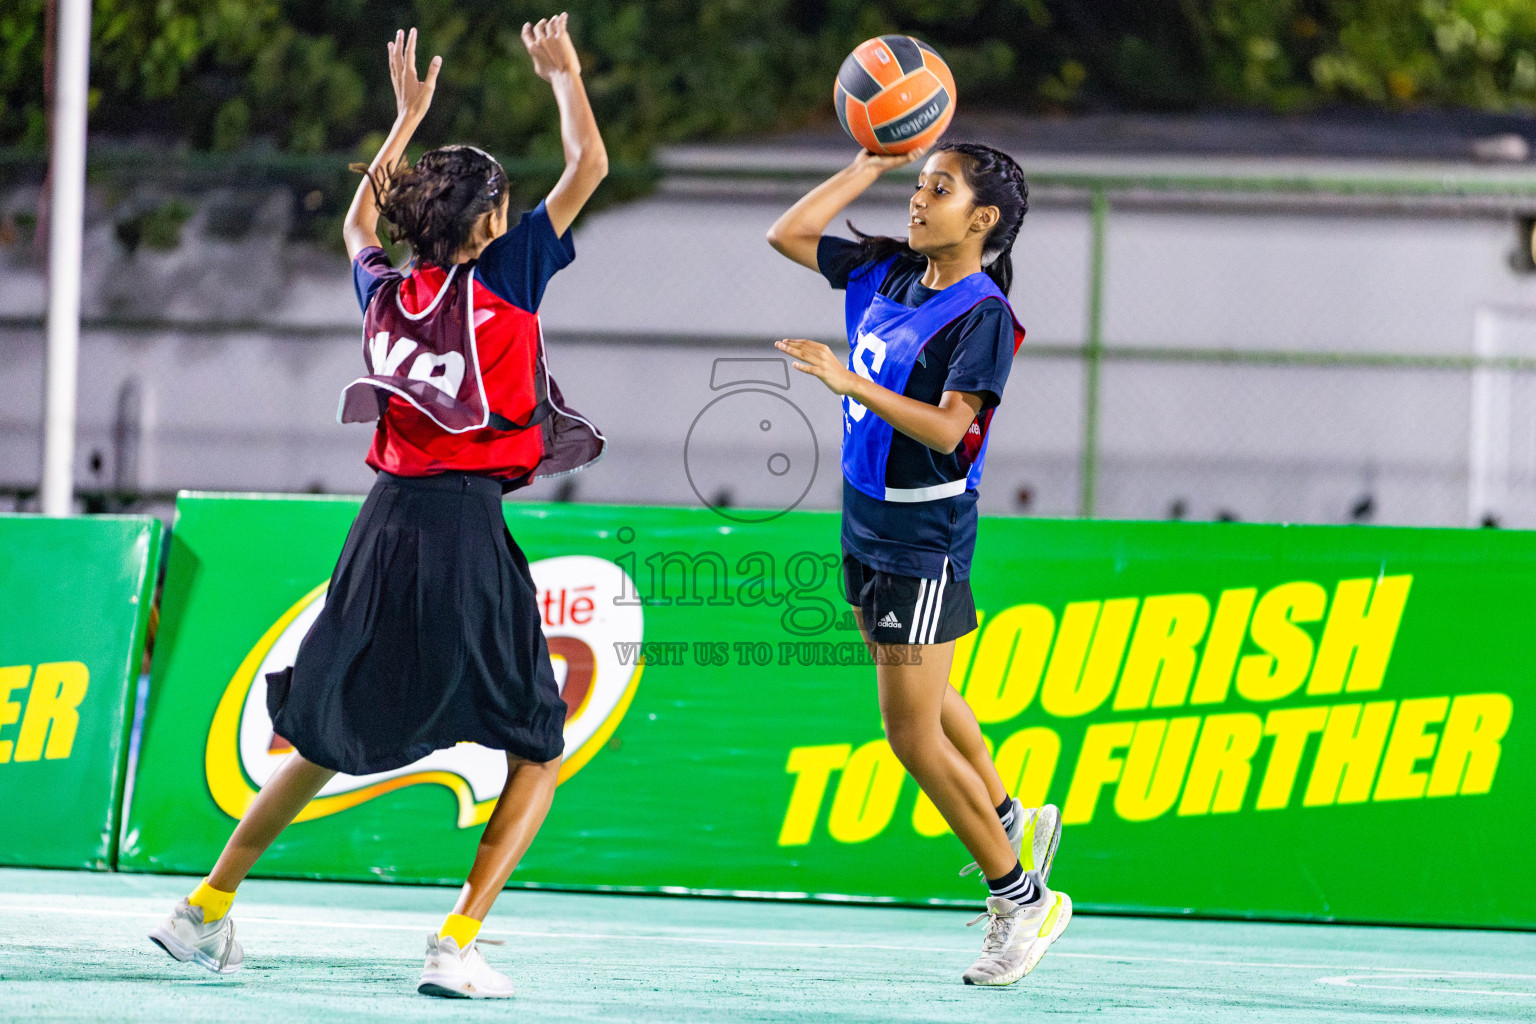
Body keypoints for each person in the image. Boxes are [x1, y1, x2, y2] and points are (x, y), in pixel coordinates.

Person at [148, 16, 608, 1000]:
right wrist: (564, 76)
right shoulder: (510, 279)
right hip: (460, 530)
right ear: (489, 227)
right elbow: (590, 162)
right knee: (537, 743)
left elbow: (358, 224)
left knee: (321, 736)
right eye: (506, 205)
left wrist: (401, 123)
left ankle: (207, 908)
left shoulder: (386, 293)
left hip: (381, 527)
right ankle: (455, 939)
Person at [766, 141, 1069, 986]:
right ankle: (1011, 815)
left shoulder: (982, 317)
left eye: (939, 189)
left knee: (907, 732)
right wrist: (868, 160)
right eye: (918, 183)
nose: (917, 199)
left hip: (920, 536)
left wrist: (845, 382)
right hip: (863, 520)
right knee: (927, 699)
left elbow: (946, 431)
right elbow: (788, 234)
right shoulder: (889, 271)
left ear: (983, 221)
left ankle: (1022, 898)